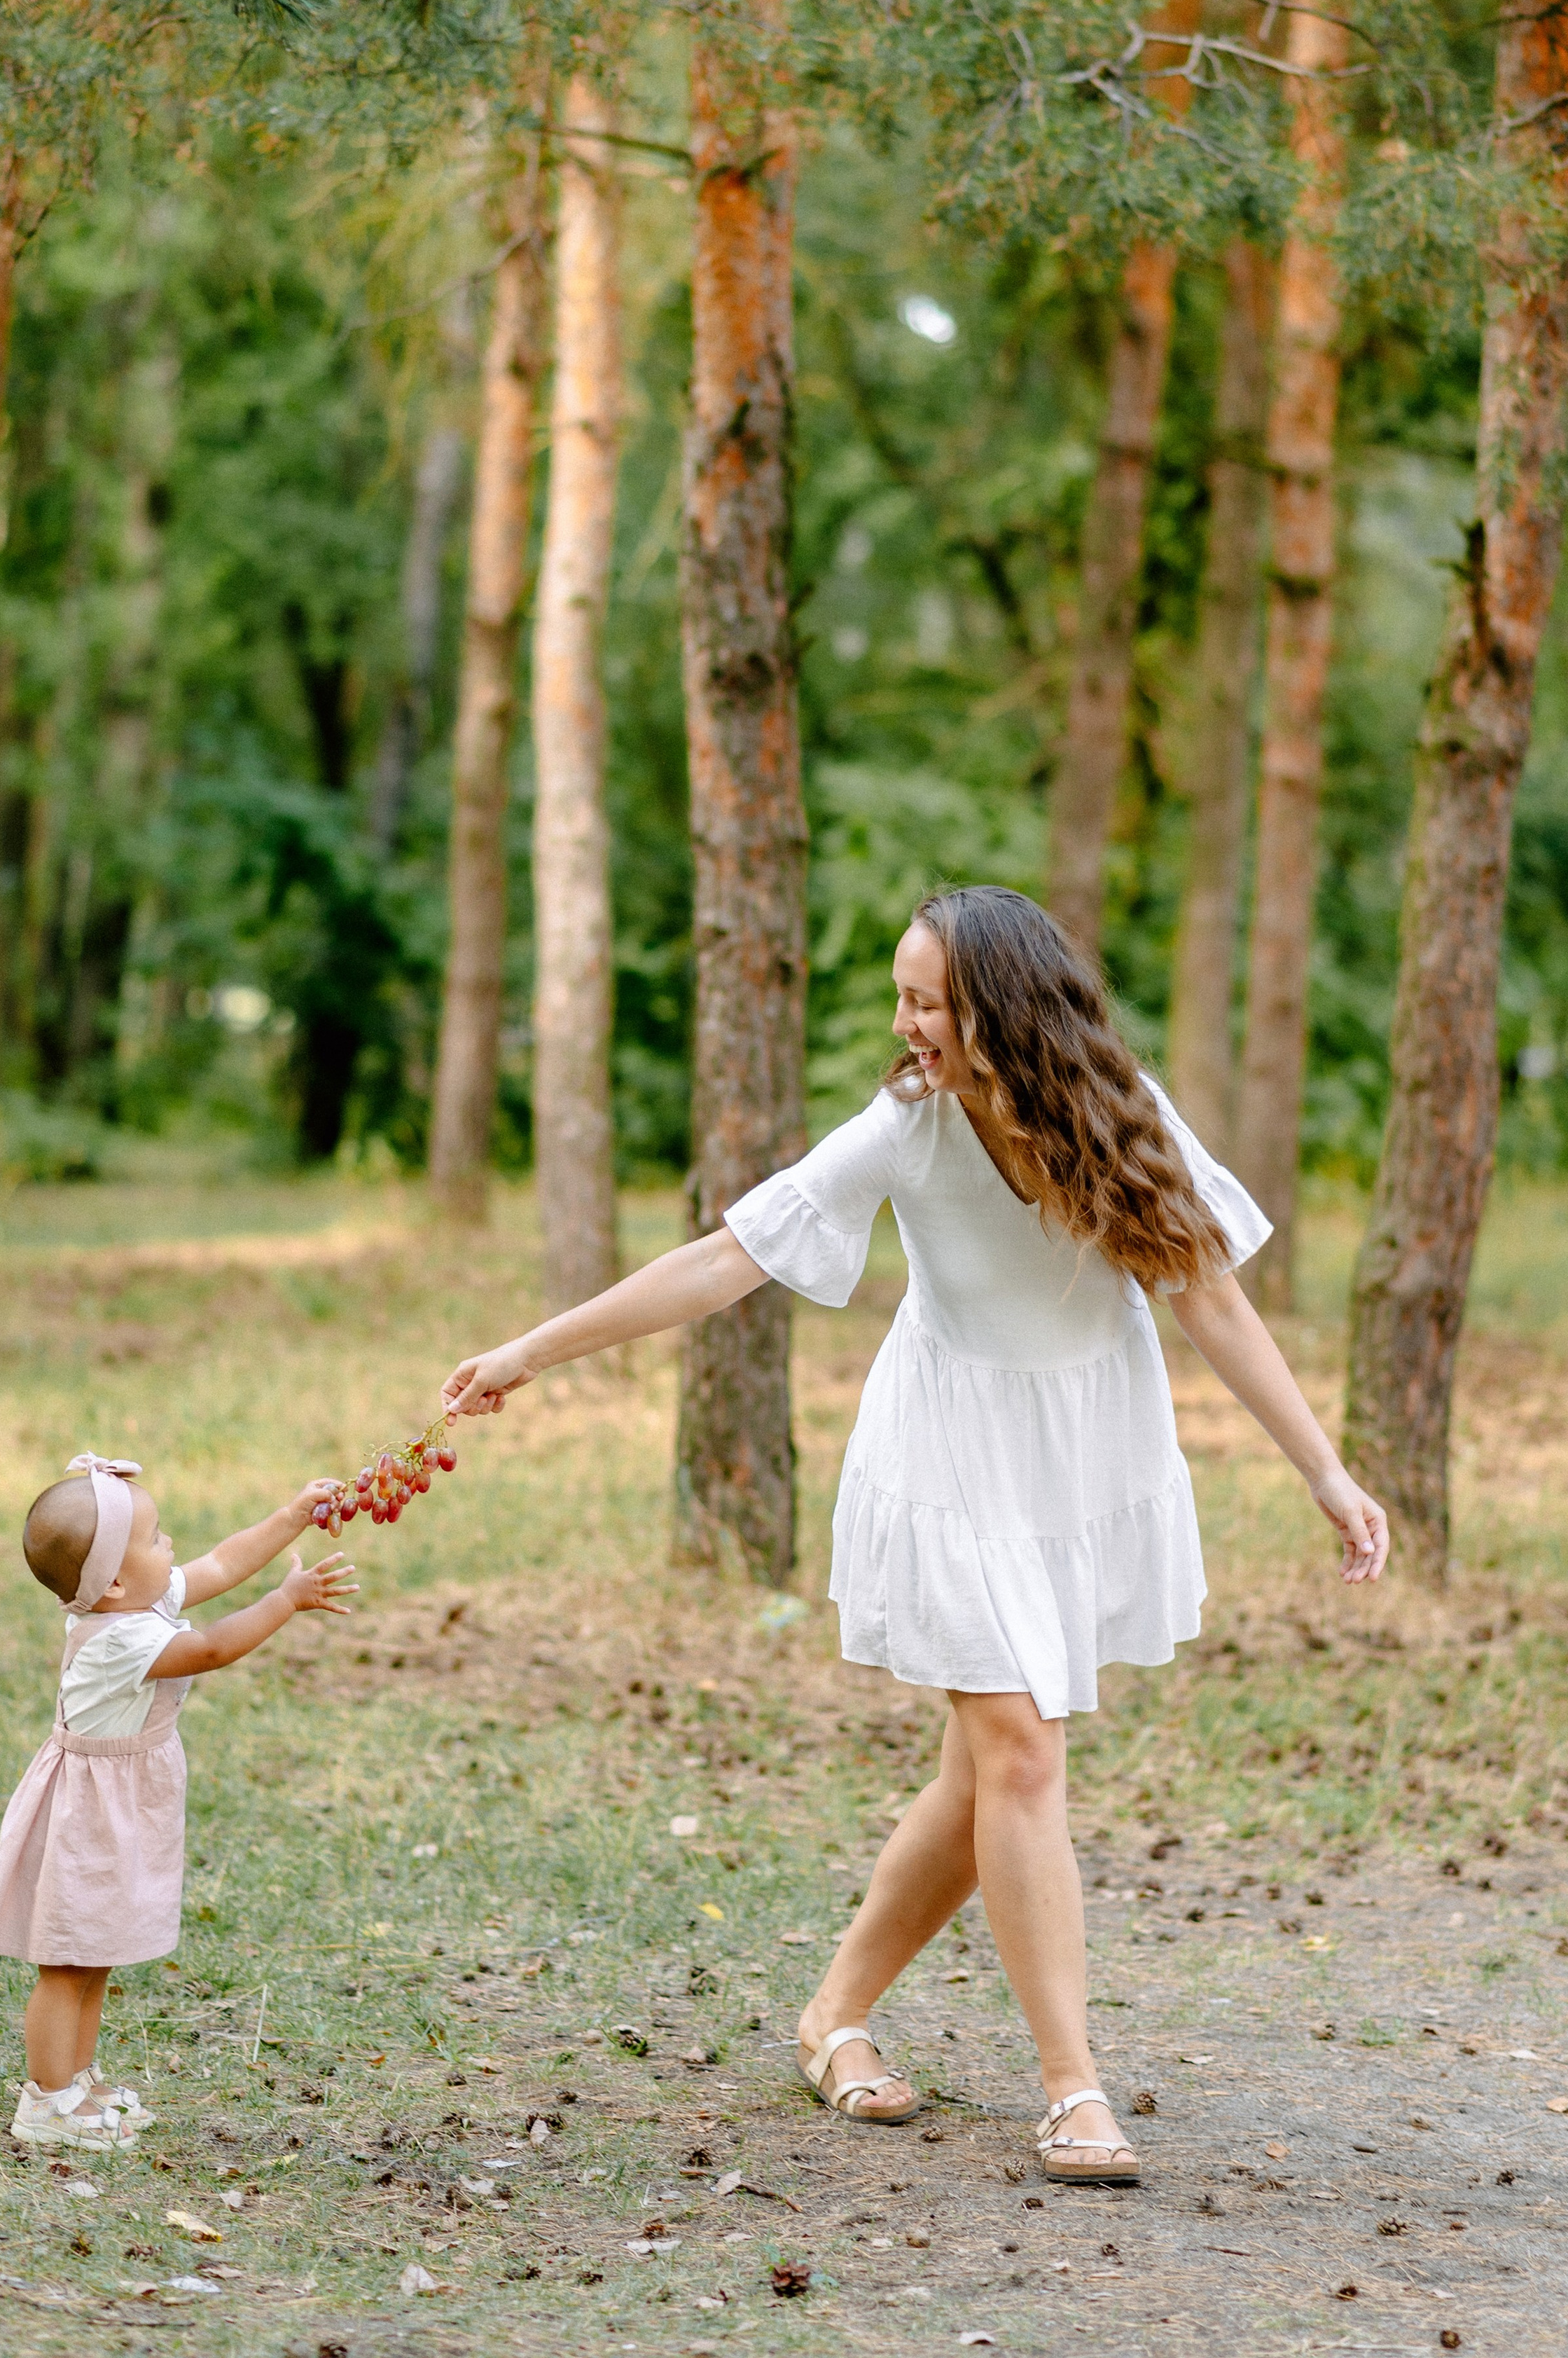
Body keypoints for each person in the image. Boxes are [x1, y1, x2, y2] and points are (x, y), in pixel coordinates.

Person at [441, 884, 1389, 2187]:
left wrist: (1327, 1470)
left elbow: (1210, 1299)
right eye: (903, 992)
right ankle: (1073, 2089)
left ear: (1002, 1010)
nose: (905, 1020)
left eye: (929, 998)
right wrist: (530, 1351)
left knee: (981, 1776)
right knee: (1019, 1751)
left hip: (1074, 1456)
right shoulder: (906, 1127)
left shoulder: (1124, 1115)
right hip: (945, 1456)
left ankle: (831, 2015)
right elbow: (727, 1258)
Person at [0, 1454, 356, 2151]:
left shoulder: (129, 1602)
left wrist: (291, 1516)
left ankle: (77, 2080)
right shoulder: (121, 1638)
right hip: (88, 1817)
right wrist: (286, 1599)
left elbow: (216, 1565)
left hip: (115, 1806)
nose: (170, 1545)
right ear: (115, 1578)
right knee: (66, 1961)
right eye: (154, 1539)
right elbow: (209, 1649)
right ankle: (46, 2100)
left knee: (95, 1953)